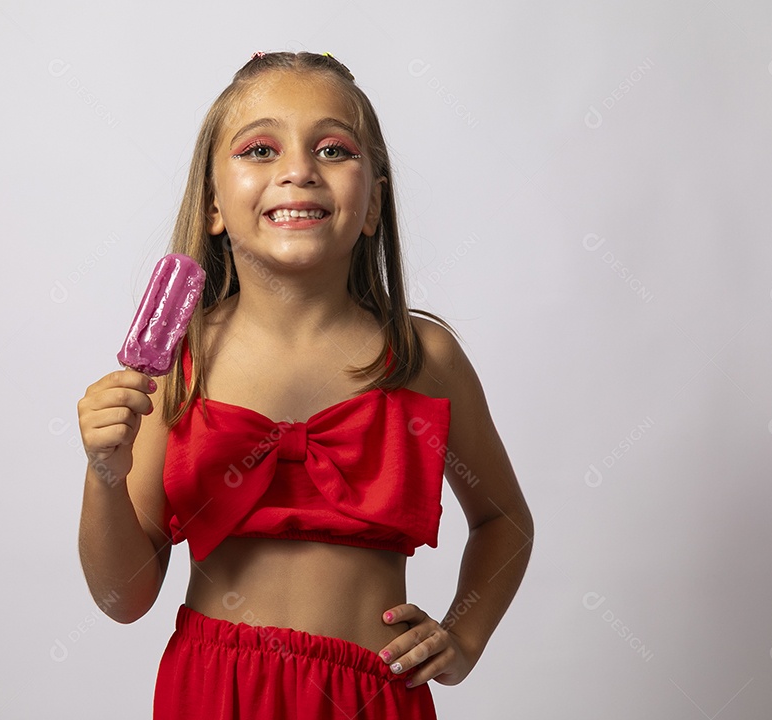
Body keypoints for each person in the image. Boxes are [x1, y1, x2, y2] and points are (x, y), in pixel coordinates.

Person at [77, 50, 533, 719]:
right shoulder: (175, 367)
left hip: (371, 696)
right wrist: (104, 475)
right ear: (212, 204)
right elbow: (124, 597)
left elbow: (503, 522)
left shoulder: (423, 357)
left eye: (333, 150)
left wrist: (464, 637)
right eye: (260, 149)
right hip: (215, 693)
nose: (299, 170)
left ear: (373, 203)